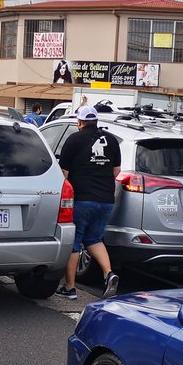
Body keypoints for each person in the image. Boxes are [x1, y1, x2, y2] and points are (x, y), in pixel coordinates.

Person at [55, 106, 121, 300]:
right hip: (106, 200)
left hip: (82, 199)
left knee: (75, 242)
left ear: (80, 122)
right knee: (94, 239)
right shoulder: (112, 140)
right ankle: (109, 273)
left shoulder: (74, 139)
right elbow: (116, 172)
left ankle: (70, 288)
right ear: (97, 121)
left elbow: (64, 175)